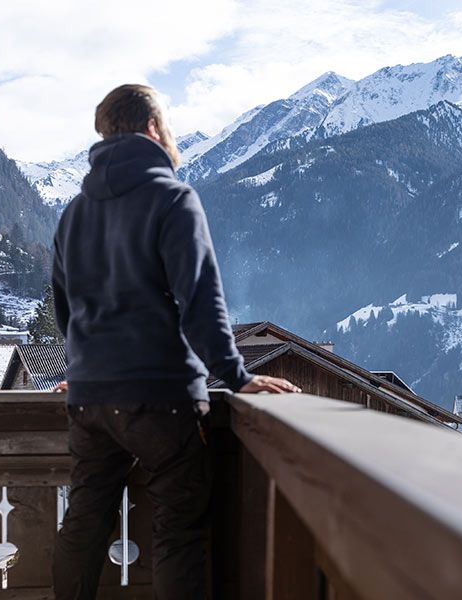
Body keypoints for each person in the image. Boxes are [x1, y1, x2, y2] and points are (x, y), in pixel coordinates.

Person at [50, 84, 300, 600]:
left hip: (91, 399)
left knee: (84, 522)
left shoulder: (74, 212)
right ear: (152, 129)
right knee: (179, 531)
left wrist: (84, 364)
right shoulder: (173, 198)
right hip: (159, 397)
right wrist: (238, 377)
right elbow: (201, 302)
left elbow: (65, 304)